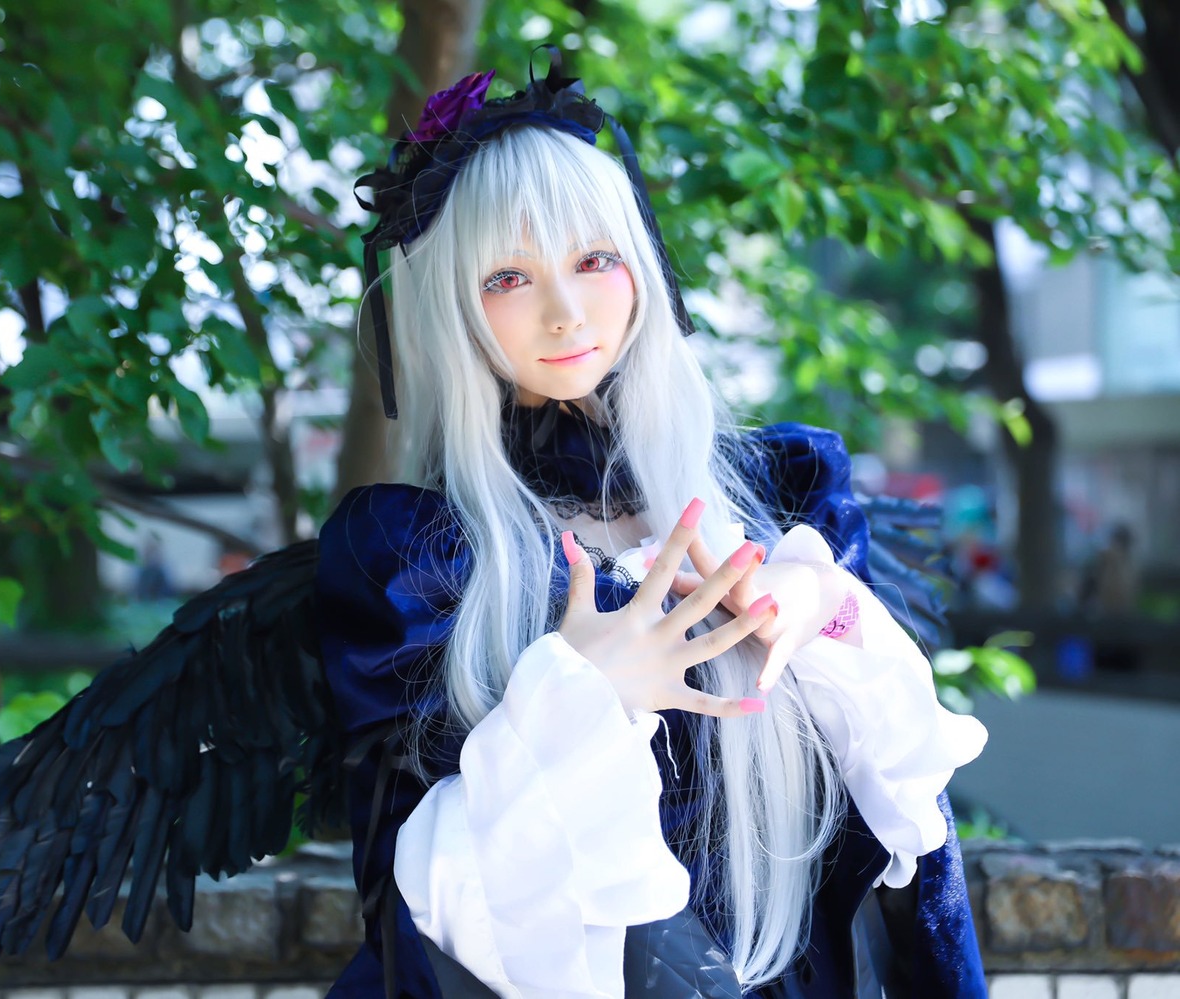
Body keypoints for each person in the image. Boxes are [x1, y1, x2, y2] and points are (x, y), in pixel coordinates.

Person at [315, 54, 989, 997]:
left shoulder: (780, 494)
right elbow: (421, 907)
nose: (563, 313)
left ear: (642, 263)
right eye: (509, 277)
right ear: (457, 308)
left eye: (594, 259)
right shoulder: (417, 560)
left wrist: (825, 603)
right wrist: (584, 700)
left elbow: (905, 849)